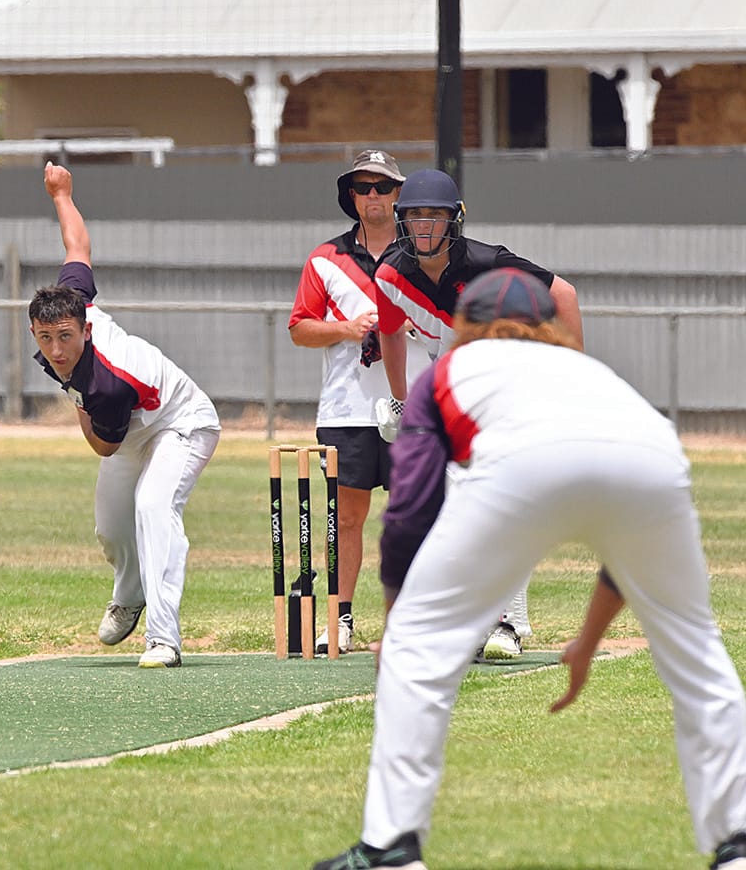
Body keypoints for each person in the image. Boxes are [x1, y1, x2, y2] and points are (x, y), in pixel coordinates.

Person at [313, 269, 746, 870]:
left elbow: (409, 510)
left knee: (418, 650)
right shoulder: (598, 376)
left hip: (521, 465)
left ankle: (391, 848)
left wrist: (399, 622)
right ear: (551, 326)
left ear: (464, 324)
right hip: (653, 452)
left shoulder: (446, 372)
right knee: (697, 650)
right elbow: (628, 554)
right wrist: (587, 642)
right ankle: (738, 844)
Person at [372, 168, 583, 660]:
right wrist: (400, 401)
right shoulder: (390, 273)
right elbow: (388, 332)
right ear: (402, 221)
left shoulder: (489, 262)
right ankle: (483, 618)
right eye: (416, 216)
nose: (424, 226)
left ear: (455, 221)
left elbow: (563, 296)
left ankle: (505, 623)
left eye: (436, 216)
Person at [29, 162, 221, 669]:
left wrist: (76, 399)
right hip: (137, 425)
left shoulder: (106, 385)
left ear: (85, 330)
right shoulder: (74, 301)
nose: (57, 349)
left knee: (153, 506)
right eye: (46, 339)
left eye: (65, 337)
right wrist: (62, 194)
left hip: (182, 423)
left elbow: (104, 445)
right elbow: (77, 247)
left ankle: (164, 637)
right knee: (112, 528)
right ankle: (129, 594)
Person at [289, 148, 425, 654]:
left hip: (412, 404)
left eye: (384, 187)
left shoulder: (423, 256)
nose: (374, 196)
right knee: (347, 517)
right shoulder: (325, 259)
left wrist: (411, 325)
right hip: (347, 408)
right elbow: (300, 328)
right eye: (364, 187)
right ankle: (340, 619)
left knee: (416, 514)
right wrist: (347, 329)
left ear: (399, 195)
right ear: (351, 195)